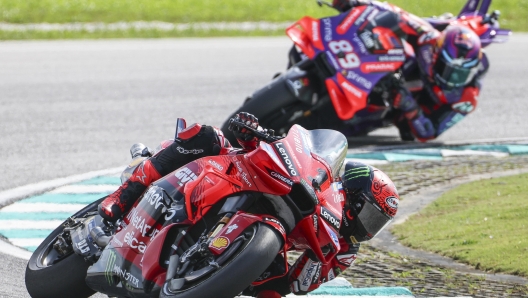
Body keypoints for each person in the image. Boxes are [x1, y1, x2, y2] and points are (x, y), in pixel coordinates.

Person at [98, 113, 399, 298]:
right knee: (208, 136)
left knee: (274, 284)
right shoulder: (324, 181)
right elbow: (293, 150)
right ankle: (124, 194)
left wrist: (257, 281)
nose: (367, 226)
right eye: (369, 214)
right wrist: (256, 132)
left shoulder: (343, 251)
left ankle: (199, 270)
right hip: (240, 176)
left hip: (268, 240)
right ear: (352, 195)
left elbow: (297, 284)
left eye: (376, 223)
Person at [333, 0, 488, 142]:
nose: (453, 79)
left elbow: (429, 132)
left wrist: (409, 105)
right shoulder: (430, 39)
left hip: (403, 109)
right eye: (447, 69)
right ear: (436, 55)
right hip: (389, 68)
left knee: (348, 127)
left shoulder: (465, 98)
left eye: (461, 74)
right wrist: (358, 2)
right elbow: (399, 15)